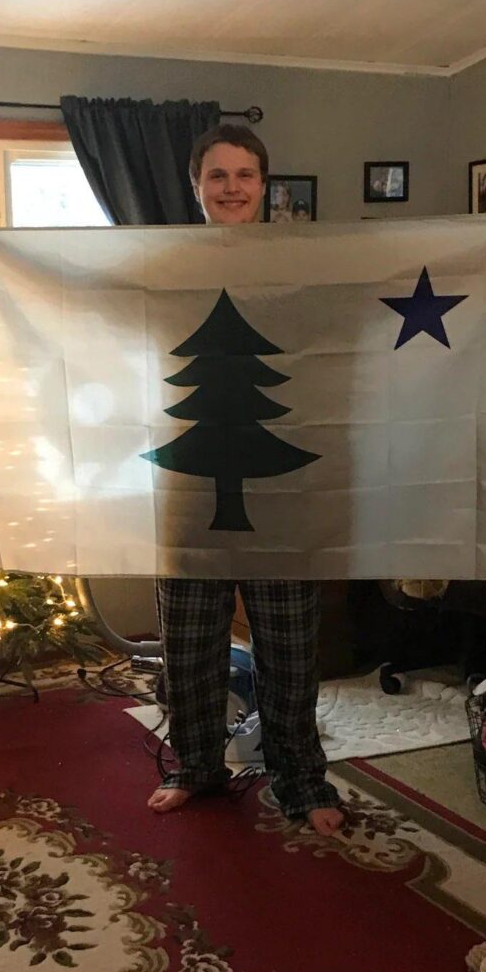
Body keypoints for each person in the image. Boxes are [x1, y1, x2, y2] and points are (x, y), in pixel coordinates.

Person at [147, 124, 345, 838]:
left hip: (279, 481)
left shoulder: (299, 264)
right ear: (195, 186)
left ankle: (301, 776)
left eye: (245, 175)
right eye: (218, 175)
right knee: (189, 643)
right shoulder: (163, 265)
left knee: (289, 647)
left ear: (265, 185)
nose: (232, 187)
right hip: (187, 482)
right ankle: (196, 765)